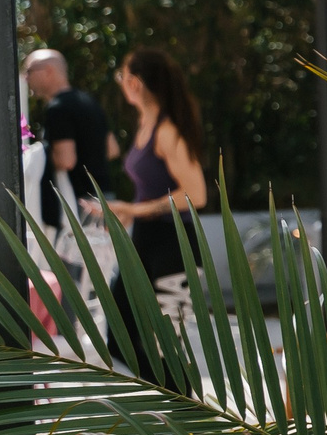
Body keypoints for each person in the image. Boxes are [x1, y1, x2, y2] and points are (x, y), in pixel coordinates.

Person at [86, 49, 211, 375]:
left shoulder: (167, 131)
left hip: (174, 245)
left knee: (166, 347)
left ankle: (181, 409)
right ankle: (164, 400)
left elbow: (196, 194)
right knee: (119, 335)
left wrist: (135, 208)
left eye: (121, 78)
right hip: (144, 241)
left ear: (134, 82)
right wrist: (130, 213)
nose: (121, 85)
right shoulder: (146, 123)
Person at [23, 48, 114, 238]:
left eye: (29, 71)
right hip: (106, 199)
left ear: (48, 70)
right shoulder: (89, 102)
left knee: (73, 267)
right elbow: (112, 149)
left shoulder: (58, 108)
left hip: (79, 207)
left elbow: (66, 160)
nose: (26, 78)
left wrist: (37, 157)